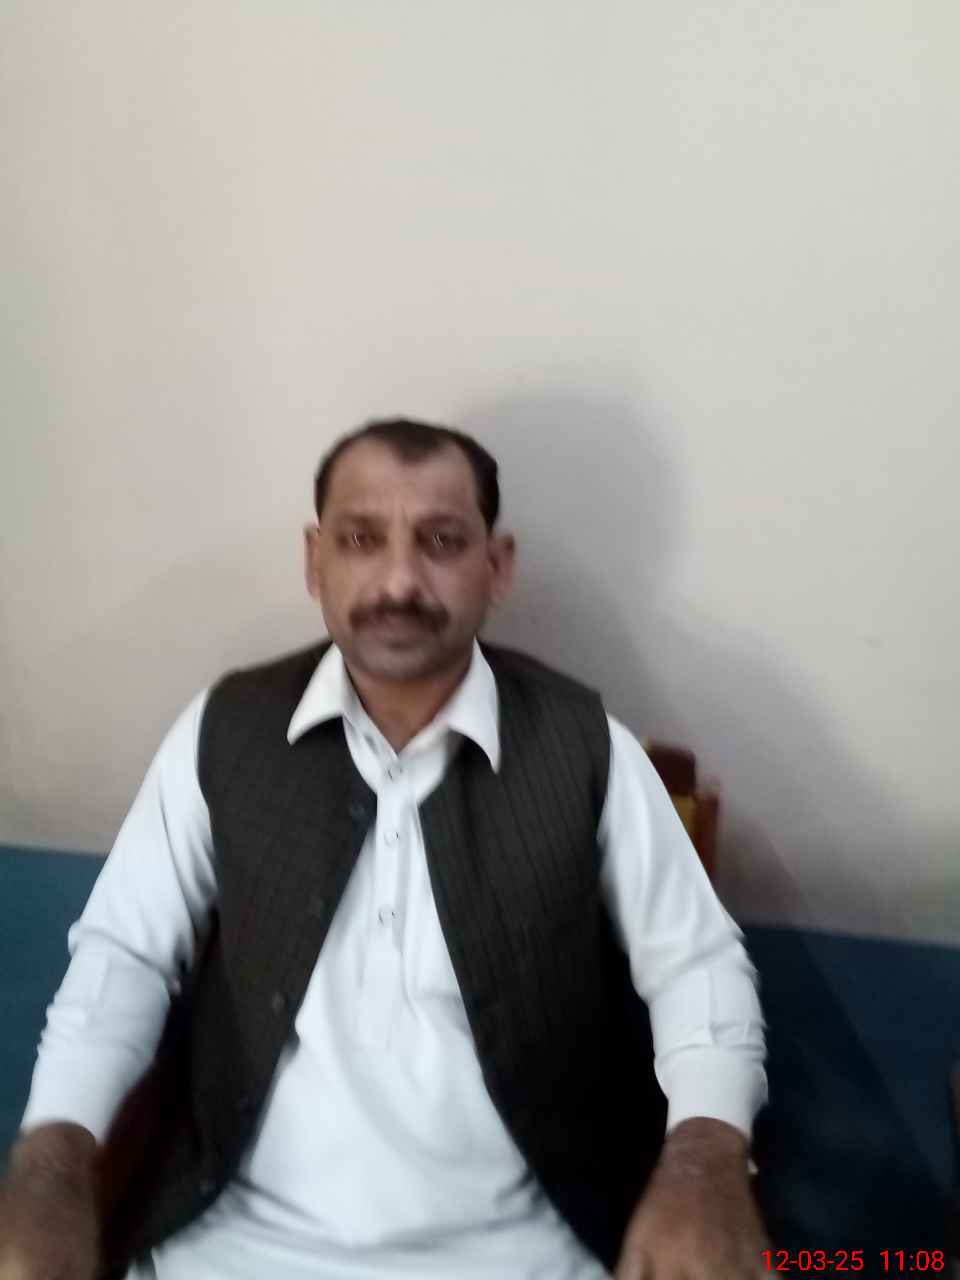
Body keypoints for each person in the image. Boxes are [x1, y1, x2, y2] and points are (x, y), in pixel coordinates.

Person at [0, 418, 770, 1280]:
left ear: (498, 566)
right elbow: (125, 955)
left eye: (441, 541)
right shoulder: (226, 731)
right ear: (314, 561)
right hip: (230, 1249)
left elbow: (696, 962)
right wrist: (52, 1162)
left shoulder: (583, 748)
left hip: (527, 1256)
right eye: (362, 539)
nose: (400, 581)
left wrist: (705, 1157)